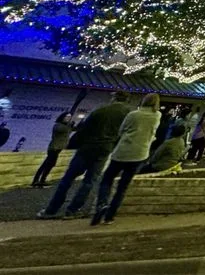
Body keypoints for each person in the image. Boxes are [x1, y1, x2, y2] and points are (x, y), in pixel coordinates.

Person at [37, 91, 132, 220]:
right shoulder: (128, 114)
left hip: (88, 147)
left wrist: (75, 143)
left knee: (68, 179)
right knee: (89, 181)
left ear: (114, 98)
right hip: (106, 148)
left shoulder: (101, 110)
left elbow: (85, 129)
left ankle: (51, 209)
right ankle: (73, 210)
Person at [91, 93, 162, 225]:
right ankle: (109, 216)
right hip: (140, 153)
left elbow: (122, 130)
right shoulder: (157, 116)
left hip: (123, 151)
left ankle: (102, 204)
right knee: (122, 187)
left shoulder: (133, 114)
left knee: (107, 179)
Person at [32, 112, 73, 188]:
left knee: (48, 164)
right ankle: (38, 181)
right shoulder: (58, 125)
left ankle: (39, 181)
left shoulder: (66, 126)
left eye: (70, 117)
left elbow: (71, 130)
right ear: (62, 117)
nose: (68, 118)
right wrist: (70, 125)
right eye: (67, 117)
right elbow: (64, 129)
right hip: (54, 148)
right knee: (47, 164)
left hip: (57, 149)